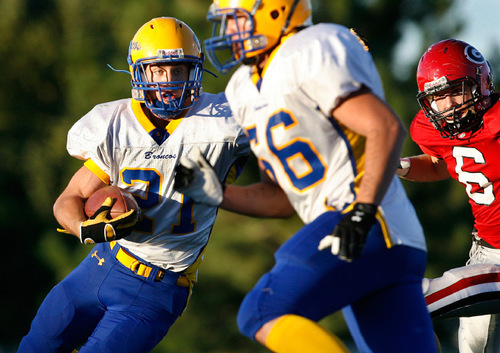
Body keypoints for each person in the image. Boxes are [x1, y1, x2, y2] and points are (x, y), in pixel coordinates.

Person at [173, 0, 439, 352]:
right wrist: (219, 194)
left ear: (274, 11)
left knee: (261, 310)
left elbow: (384, 127)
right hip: (382, 236)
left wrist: (361, 212)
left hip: (365, 220)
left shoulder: (310, 47)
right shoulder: (242, 89)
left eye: (237, 20)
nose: (229, 32)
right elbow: (282, 198)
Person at [18, 17, 249, 353]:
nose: (169, 81)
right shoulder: (114, 123)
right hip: (101, 265)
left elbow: (292, 126)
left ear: (194, 73)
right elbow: (68, 198)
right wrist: (86, 228)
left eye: (179, 70)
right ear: (140, 73)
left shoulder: (224, 122)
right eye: (158, 70)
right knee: (35, 346)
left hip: (159, 286)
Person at [396, 38, 500, 353]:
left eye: (456, 91)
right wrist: (395, 167)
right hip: (486, 253)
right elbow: (443, 164)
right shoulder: (429, 129)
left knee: (409, 302)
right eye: (439, 97)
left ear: (481, 84)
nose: (450, 105)